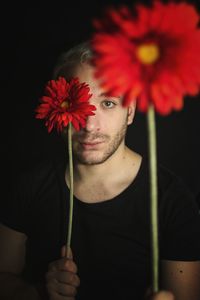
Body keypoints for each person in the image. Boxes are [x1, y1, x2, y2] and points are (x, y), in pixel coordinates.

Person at [0, 41, 200, 300]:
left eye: (107, 103)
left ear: (130, 111)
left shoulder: (172, 201)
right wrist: (37, 293)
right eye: (74, 103)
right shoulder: (29, 186)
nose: (89, 124)